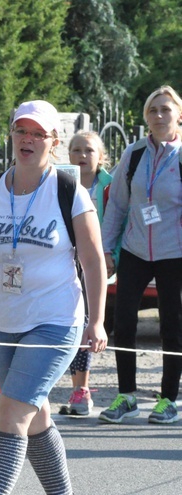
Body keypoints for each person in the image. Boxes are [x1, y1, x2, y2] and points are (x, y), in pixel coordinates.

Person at [0, 100, 107, 495]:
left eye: (38, 133)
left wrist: (96, 321)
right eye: (21, 131)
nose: (28, 139)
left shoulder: (68, 190)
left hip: (55, 320)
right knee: (33, 414)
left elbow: (92, 260)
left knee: (10, 413)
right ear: (12, 137)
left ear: (53, 142)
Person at [99, 85, 182, 424]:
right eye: (153, 110)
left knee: (172, 327)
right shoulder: (133, 154)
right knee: (123, 323)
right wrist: (106, 248)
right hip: (134, 249)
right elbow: (117, 205)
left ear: (179, 114)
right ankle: (126, 395)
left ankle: (169, 399)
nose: (159, 116)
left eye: (165, 109)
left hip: (174, 253)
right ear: (146, 116)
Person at [57, 131, 112, 416]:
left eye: (88, 150)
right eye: (76, 150)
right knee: (67, 321)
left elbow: (118, 218)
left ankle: (82, 391)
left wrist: (109, 253)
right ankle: (72, 385)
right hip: (66, 260)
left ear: (100, 156)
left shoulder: (109, 186)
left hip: (95, 261)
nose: (81, 156)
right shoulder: (60, 182)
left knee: (88, 322)